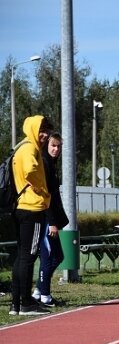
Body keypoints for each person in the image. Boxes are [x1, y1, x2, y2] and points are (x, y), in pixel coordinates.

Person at [9, 115, 53, 316]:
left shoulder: (22, 148)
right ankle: (26, 302)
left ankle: (16, 303)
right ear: (33, 129)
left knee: (21, 256)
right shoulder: (30, 149)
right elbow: (30, 170)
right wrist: (43, 190)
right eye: (41, 130)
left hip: (21, 208)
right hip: (32, 208)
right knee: (28, 256)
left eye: (47, 132)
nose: (44, 135)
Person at [33, 132, 68, 308]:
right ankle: (44, 295)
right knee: (49, 257)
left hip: (51, 219)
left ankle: (39, 290)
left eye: (59, 146)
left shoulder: (51, 165)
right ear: (46, 145)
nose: (56, 149)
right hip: (46, 219)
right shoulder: (44, 164)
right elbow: (46, 197)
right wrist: (52, 222)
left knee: (58, 256)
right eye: (53, 145)